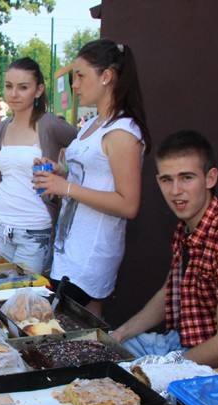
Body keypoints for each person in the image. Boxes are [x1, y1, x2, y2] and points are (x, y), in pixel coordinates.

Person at [110, 130, 218, 367]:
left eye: (186, 177)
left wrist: (164, 367)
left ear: (210, 178)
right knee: (102, 356)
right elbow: (169, 292)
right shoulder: (189, 225)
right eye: (167, 179)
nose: (176, 190)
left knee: (118, 381)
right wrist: (117, 336)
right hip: (180, 343)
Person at [32, 39, 151, 318]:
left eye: (81, 75)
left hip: (91, 252)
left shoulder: (123, 131)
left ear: (106, 77)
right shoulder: (95, 123)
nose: (74, 84)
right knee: (85, 325)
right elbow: (94, 176)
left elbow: (128, 204)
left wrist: (67, 187)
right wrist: (61, 173)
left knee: (56, 323)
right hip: (72, 244)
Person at [0, 57, 78, 274]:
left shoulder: (50, 124)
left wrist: (64, 175)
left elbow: (86, 151)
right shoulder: (1, 127)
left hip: (34, 230)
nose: (14, 94)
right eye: (9, 86)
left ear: (38, 90)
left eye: (23, 87)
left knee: (26, 301)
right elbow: (3, 176)